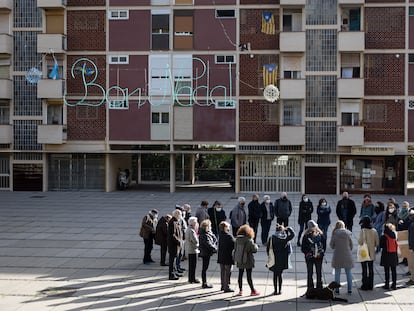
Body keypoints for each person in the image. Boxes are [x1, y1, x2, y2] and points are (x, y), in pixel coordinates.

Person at [267, 224, 295, 295]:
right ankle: (280, 290)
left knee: (275, 275)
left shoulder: (272, 238)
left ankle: (275, 290)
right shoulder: (285, 238)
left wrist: (269, 256)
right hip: (282, 260)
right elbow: (293, 235)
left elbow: (268, 248)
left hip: (274, 258)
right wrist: (288, 228)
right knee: (280, 275)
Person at [234, 224, 260, 296]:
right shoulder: (249, 240)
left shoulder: (237, 240)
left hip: (240, 259)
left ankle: (240, 290)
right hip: (248, 260)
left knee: (240, 275)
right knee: (249, 276)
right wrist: (256, 246)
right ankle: (252, 290)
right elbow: (254, 250)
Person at [330, 220, 353, 294]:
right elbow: (351, 245)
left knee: (337, 273)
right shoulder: (348, 234)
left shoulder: (335, 234)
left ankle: (337, 289)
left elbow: (331, 245)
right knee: (348, 273)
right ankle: (349, 289)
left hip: (337, 255)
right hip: (347, 255)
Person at [301, 220, 325, 290]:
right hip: (319, 257)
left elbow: (303, 248)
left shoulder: (306, 236)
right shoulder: (321, 235)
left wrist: (307, 253)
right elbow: (324, 245)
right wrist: (321, 253)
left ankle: (310, 288)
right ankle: (319, 288)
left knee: (310, 273)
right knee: (318, 272)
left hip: (309, 257)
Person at [358, 215, 379, 290]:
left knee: (364, 270)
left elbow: (360, 242)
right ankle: (371, 285)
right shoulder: (374, 230)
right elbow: (377, 243)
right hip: (371, 253)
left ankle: (364, 285)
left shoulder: (363, 231)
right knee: (371, 269)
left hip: (364, 253)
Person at [199, 219, 218, 288]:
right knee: (205, 268)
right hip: (205, 253)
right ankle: (204, 283)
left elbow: (213, 239)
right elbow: (208, 244)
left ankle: (204, 282)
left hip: (206, 252)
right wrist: (215, 249)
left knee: (205, 268)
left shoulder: (207, 232)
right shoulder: (204, 234)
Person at [380, 223, 399, 290]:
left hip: (386, 254)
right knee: (394, 270)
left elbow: (381, 245)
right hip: (394, 254)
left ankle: (387, 284)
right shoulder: (394, 235)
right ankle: (394, 285)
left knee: (387, 271)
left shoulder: (384, 236)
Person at [217, 221, 235, 292]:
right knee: (228, 272)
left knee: (222, 271)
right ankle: (226, 286)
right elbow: (234, 245)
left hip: (221, 256)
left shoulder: (220, 235)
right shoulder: (228, 236)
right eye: (228, 227)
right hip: (227, 257)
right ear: (225, 228)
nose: (229, 228)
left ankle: (222, 285)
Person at [167, 209, 183, 280]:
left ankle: (175, 272)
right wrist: (178, 241)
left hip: (177, 245)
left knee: (175, 259)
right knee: (172, 261)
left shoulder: (176, 221)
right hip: (173, 245)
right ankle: (171, 275)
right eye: (179, 214)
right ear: (176, 214)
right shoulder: (172, 222)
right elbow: (172, 235)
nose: (180, 216)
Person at [185, 216, 200, 284]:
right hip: (192, 249)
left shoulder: (190, 229)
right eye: (195, 222)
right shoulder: (191, 230)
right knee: (193, 265)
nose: (196, 223)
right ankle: (192, 279)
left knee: (192, 265)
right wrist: (198, 243)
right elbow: (194, 240)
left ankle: (192, 278)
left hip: (190, 249)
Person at [406, 209, 414, 286]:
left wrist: (411, 247)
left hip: (413, 248)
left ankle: (413, 279)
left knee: (412, 264)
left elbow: (411, 237)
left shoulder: (412, 225)